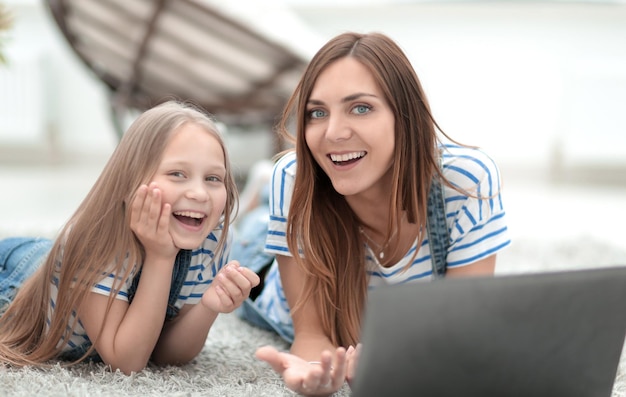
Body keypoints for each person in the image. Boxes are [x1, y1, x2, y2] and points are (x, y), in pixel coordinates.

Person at [233, 31, 511, 395]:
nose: (333, 132)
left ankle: (262, 190)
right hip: (265, 261)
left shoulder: (465, 182)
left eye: (360, 107)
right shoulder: (295, 177)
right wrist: (317, 372)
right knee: (247, 238)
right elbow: (313, 334)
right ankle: (263, 193)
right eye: (317, 113)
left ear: (405, 114)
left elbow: (461, 337)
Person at [0, 101, 260, 374]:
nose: (199, 193)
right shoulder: (96, 240)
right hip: (18, 278)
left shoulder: (212, 238)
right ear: (130, 181)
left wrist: (209, 306)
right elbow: (126, 362)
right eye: (177, 174)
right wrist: (161, 256)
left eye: (213, 178)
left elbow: (165, 354)